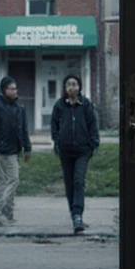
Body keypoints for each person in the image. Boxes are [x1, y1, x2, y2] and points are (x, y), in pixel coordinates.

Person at [50, 74, 100, 235]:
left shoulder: (85, 105)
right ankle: (74, 215)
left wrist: (93, 143)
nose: (72, 87)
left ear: (79, 87)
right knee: (69, 184)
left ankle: (78, 215)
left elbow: (92, 125)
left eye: (74, 84)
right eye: (68, 85)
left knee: (79, 180)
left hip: (82, 151)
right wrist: (57, 142)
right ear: (65, 88)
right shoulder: (59, 106)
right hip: (65, 151)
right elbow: (54, 126)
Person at [0, 76, 31, 225]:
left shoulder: (19, 108)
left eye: (16, 88)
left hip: (13, 151)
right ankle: (2, 214)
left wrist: (27, 148)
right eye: (12, 88)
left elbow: (24, 130)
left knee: (13, 180)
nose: (15, 91)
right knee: (1, 183)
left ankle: (2, 212)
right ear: (4, 90)